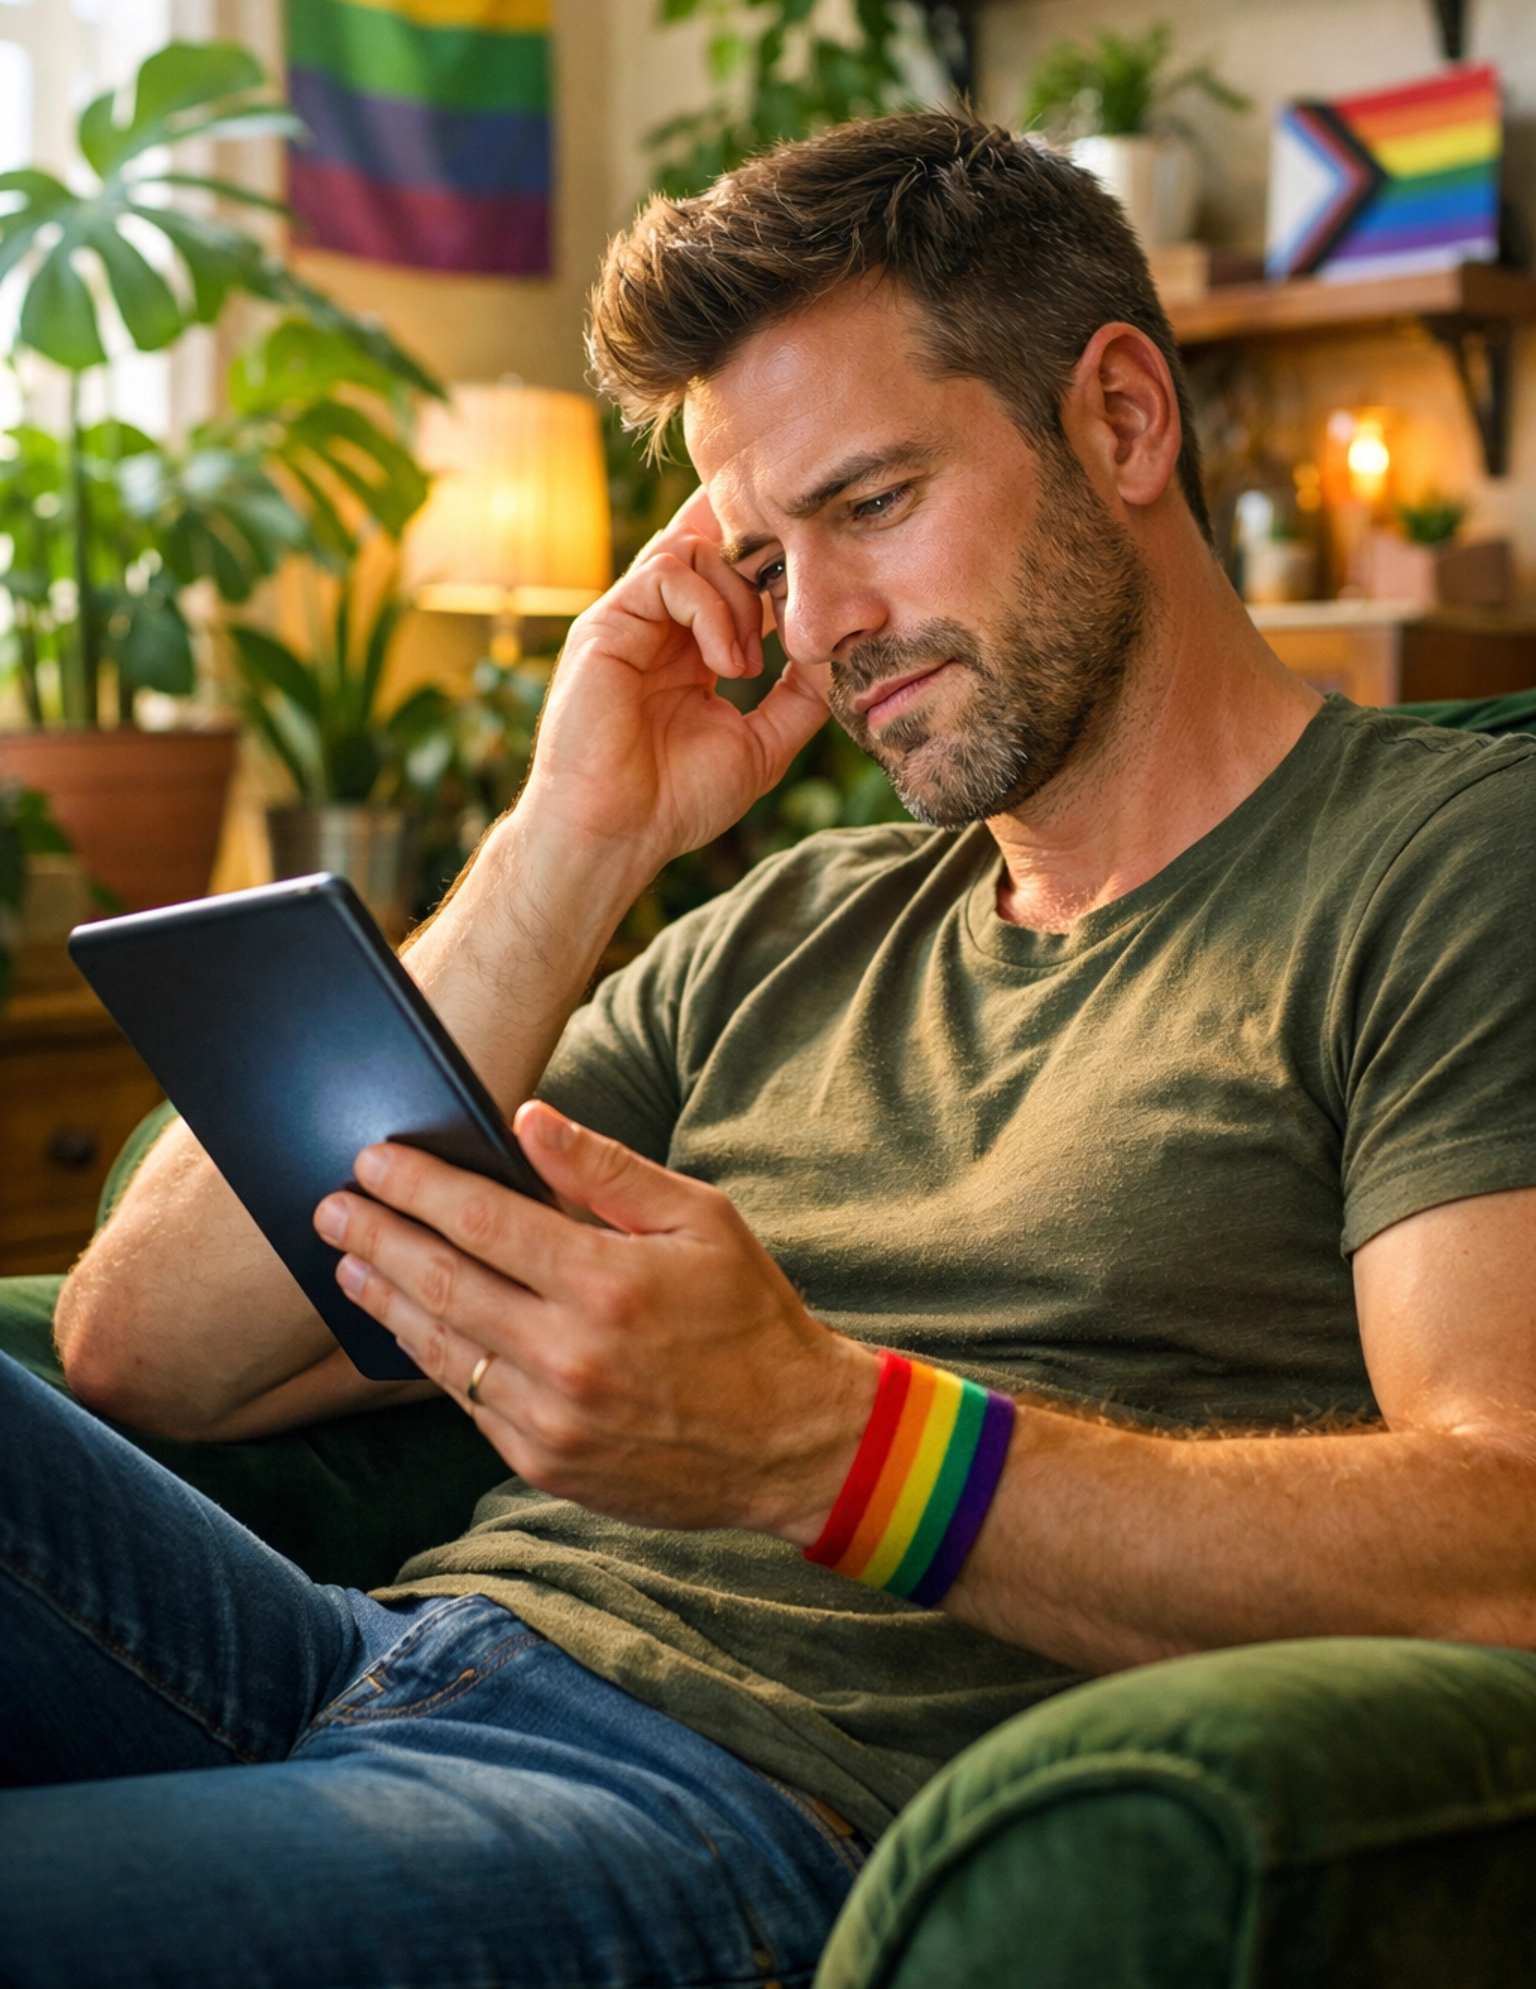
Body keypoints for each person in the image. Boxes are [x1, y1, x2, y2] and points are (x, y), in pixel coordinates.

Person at [7, 113, 1536, 1988]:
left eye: (870, 504)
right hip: (376, 1659)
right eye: (761, 556)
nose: (817, 628)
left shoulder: (1449, 869)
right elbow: (146, 1349)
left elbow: (1508, 1538)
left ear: (1125, 421)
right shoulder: (797, 923)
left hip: (730, 1814)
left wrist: (832, 1446)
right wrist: (577, 836)